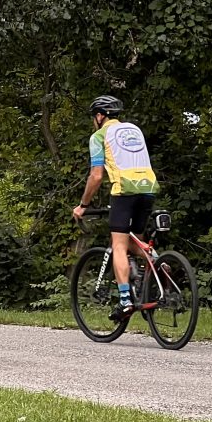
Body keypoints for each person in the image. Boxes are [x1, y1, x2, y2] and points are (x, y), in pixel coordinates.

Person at [71, 95, 160, 318]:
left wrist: (83, 205)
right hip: (148, 188)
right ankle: (159, 264)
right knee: (135, 242)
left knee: (119, 245)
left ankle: (125, 301)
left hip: (124, 190)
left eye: (94, 117)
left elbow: (96, 175)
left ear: (100, 116)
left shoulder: (99, 136)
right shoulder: (134, 130)